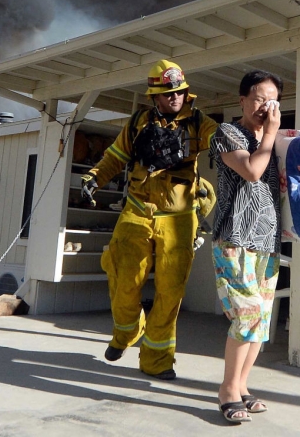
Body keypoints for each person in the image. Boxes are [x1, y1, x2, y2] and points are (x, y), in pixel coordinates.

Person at [82, 59, 217, 380]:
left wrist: (234, 139)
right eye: (167, 92)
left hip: (179, 217)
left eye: (179, 91)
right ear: (154, 97)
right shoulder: (138, 122)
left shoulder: (199, 122)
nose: (174, 97)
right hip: (137, 209)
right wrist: (94, 177)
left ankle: (156, 360)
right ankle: (127, 331)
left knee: (171, 291)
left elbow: (219, 137)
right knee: (123, 278)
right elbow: (116, 155)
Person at [210, 70, 300, 423]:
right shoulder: (228, 133)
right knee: (246, 317)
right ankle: (227, 390)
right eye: (258, 98)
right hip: (234, 239)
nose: (265, 106)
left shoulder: (281, 142)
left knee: (259, 322)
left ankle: (242, 386)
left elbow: (297, 179)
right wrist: (270, 134)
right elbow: (253, 171)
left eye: (272, 99)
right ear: (242, 100)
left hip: (268, 242)